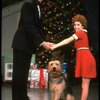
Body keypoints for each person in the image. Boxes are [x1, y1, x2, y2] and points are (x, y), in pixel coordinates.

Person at [11, 0, 54, 100]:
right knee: (19, 74)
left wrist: (46, 41)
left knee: (24, 74)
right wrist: (43, 43)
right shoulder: (28, 5)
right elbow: (29, 26)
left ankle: (23, 97)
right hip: (21, 44)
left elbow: (38, 29)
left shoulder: (38, 6)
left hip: (28, 46)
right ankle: (17, 98)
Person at [51, 14, 97, 100]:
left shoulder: (81, 32)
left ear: (82, 25)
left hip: (86, 59)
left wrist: (55, 46)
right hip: (84, 58)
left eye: (78, 24)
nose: (76, 27)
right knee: (84, 85)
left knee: (85, 85)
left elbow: (67, 40)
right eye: (75, 25)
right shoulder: (80, 33)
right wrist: (56, 44)